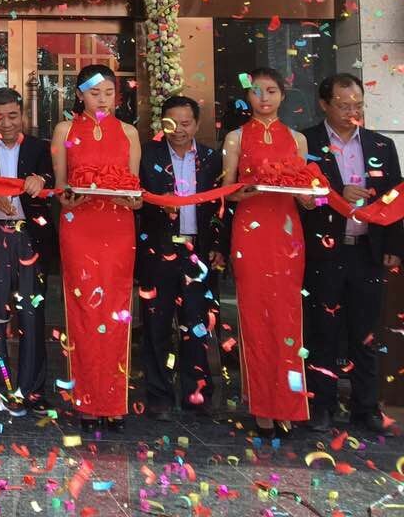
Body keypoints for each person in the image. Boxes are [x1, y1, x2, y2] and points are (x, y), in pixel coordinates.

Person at [301, 73, 403, 433]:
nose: (351, 111)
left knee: (366, 333)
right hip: (324, 251)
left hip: (367, 251)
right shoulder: (306, 142)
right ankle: (322, 406)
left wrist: (394, 246)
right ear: (324, 104)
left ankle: (366, 407)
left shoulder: (381, 145)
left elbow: (395, 197)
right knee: (322, 332)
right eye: (343, 105)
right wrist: (335, 192)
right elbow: (299, 196)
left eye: (357, 104)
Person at [221, 67, 318, 439]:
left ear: (283, 95)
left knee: (287, 316)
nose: (264, 98)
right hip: (251, 231)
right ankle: (262, 406)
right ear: (248, 96)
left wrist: (308, 198)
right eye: (257, 91)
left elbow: (307, 193)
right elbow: (228, 191)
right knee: (254, 315)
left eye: (272, 91)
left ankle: (288, 405)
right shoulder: (235, 137)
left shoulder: (297, 139)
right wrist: (246, 191)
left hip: (287, 233)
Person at [51, 63, 142, 431]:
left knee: (117, 310)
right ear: (79, 95)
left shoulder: (129, 132)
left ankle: (114, 402)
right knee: (84, 311)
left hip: (118, 228)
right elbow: (61, 189)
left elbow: (135, 192)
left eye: (108, 92)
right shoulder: (65, 130)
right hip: (80, 227)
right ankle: (87, 401)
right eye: (94, 93)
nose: (102, 99)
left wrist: (127, 198)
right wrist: (72, 197)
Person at [137, 95, 225, 421]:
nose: (179, 130)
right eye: (171, 123)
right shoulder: (146, 155)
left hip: (197, 253)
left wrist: (219, 245)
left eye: (186, 123)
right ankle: (159, 396)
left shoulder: (212, 159)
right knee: (156, 326)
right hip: (158, 251)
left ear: (197, 124)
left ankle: (197, 394)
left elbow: (222, 207)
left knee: (197, 325)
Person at [0, 87, 55, 414]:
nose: (6, 124)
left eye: (13, 116)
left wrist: (41, 179)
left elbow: (53, 178)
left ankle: (32, 390)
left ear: (23, 115)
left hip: (29, 237)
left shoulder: (39, 148)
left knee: (32, 314)